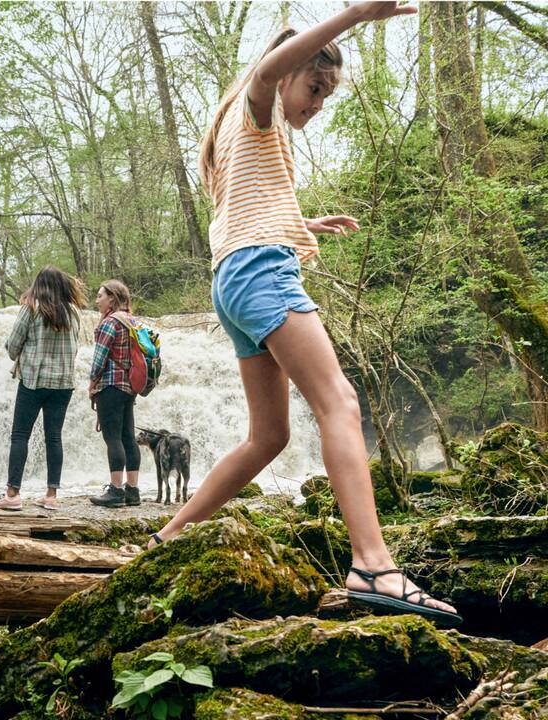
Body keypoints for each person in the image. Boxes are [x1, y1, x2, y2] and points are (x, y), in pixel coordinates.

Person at [147, 2, 462, 627]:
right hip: (261, 274)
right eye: (314, 87)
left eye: (325, 95)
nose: (317, 103)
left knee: (270, 437)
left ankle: (167, 538)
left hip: (233, 278)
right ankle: (373, 563)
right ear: (288, 71)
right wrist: (355, 16)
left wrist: (301, 224)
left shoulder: (235, 132)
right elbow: (269, 69)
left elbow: (240, 212)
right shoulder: (258, 99)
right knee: (339, 403)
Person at [0, 266, 87, 511]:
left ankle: (12, 495)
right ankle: (51, 496)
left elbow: (13, 348)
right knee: (54, 437)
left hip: (33, 381)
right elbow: (75, 347)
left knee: (20, 435)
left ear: (38, 285)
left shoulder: (31, 308)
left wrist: (13, 347)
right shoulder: (73, 312)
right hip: (63, 383)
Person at [88, 280, 142, 508]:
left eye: (100, 295)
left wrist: (92, 383)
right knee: (128, 437)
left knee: (113, 438)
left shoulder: (110, 322)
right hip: (129, 386)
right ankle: (132, 490)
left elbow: (99, 358)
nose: (97, 300)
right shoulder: (132, 320)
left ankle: (115, 491)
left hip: (110, 385)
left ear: (112, 298)